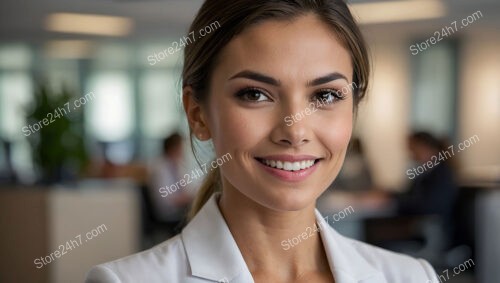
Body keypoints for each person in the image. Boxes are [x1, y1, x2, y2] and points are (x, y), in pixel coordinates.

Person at [86, 1, 439, 282]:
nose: (295, 130)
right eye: (255, 94)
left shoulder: (410, 277)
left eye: (327, 96)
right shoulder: (124, 280)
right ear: (198, 114)